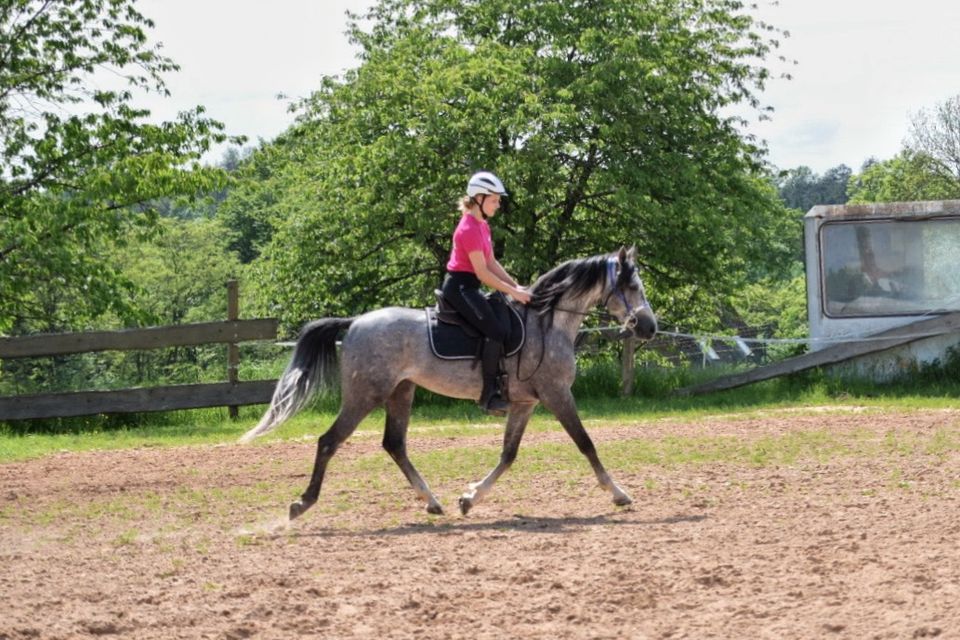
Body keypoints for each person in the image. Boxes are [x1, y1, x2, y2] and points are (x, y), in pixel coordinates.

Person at [442, 171, 531, 415]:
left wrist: (516, 286)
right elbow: (482, 274)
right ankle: (488, 395)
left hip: (470, 285)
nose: (498, 204)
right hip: (459, 288)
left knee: (503, 317)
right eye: (494, 200)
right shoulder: (468, 229)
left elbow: (491, 262)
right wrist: (513, 291)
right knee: (496, 330)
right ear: (479, 198)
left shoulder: (482, 225)